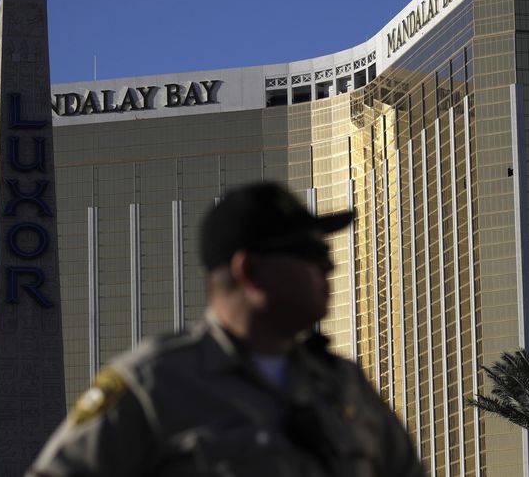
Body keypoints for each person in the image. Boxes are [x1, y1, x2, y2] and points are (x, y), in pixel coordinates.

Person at [27, 182, 425, 477]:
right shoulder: (154, 384)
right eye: (311, 253)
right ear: (249, 271)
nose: (330, 267)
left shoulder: (342, 383)